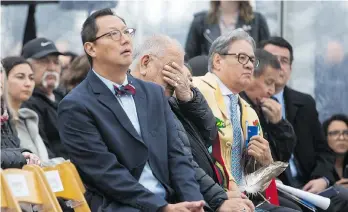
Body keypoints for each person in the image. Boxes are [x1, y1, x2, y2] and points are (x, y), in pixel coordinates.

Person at [58, 9, 205, 212]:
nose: (125, 40)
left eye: (127, 32)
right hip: (119, 205)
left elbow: (177, 157)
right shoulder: (75, 106)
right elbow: (106, 174)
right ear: (91, 48)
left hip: (170, 200)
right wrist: (161, 208)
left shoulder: (153, 93)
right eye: (113, 34)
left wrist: (195, 203)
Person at [131, 34, 255, 212]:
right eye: (172, 69)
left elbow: (209, 133)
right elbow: (180, 160)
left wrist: (189, 98)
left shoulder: (170, 99)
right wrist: (218, 199)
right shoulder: (139, 101)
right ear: (145, 63)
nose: (178, 78)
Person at [193, 29, 297, 211]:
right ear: (218, 61)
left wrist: (266, 163)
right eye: (242, 58)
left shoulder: (248, 111)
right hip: (211, 199)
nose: (250, 65)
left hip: (247, 199)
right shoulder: (195, 92)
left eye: (251, 60)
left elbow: (257, 184)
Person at [260, 36, 348, 212]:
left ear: (291, 69)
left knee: (343, 195)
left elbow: (324, 151)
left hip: (308, 185)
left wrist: (322, 179)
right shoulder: (251, 101)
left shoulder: (304, 103)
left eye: (284, 61)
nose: (278, 66)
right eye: (272, 59)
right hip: (277, 189)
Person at [239, 49, 301, 211]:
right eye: (268, 82)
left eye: (274, 84)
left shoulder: (263, 108)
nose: (272, 91)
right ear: (250, 76)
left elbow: (281, 157)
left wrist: (278, 124)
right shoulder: (239, 107)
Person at [21, 37, 68, 159]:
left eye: (56, 62)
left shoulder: (65, 97)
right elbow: (44, 153)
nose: (52, 68)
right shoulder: (27, 103)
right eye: (43, 62)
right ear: (26, 67)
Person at [185, 0, 270, 61]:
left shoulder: (257, 21)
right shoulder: (200, 21)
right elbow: (189, 59)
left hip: (247, 80)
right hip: (209, 80)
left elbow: (266, 58)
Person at [0, 62, 41, 169]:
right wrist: (22, 156)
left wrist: (24, 153)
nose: (28, 83)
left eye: (0, 71)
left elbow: (13, 147)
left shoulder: (5, 113)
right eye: (20, 77)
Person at [322, 114, 348, 187]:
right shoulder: (318, 167)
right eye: (335, 133)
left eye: (346, 133)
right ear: (325, 137)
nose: (342, 138)